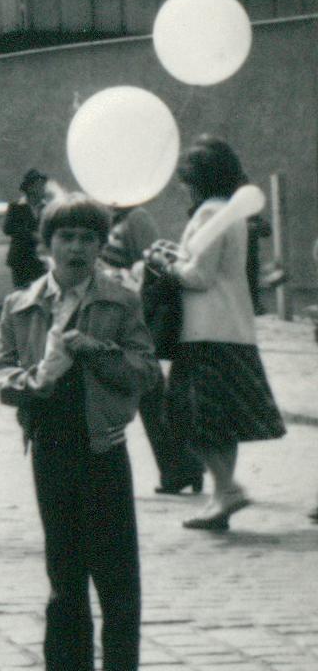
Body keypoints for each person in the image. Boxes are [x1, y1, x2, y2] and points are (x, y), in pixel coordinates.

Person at [0, 194, 157, 671]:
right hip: (51, 447)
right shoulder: (22, 303)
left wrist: (93, 350)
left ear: (100, 246)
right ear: (47, 245)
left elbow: (146, 371)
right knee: (63, 578)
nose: (78, 248)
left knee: (116, 580)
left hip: (102, 447)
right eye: (67, 238)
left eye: (89, 238)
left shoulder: (120, 300)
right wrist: (28, 381)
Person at [148, 136, 286, 531]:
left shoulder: (209, 214)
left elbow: (198, 276)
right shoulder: (231, 214)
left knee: (187, 417)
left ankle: (227, 488)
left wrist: (161, 263)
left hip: (203, 332)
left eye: (185, 178)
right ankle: (220, 497)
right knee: (222, 421)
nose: (181, 186)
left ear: (198, 180)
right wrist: (177, 255)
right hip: (233, 329)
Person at [103, 204, 203, 496]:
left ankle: (181, 466)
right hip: (118, 311)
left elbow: (151, 266)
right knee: (149, 393)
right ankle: (183, 466)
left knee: (148, 393)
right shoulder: (115, 216)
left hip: (135, 313)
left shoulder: (137, 217)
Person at [5, 168, 49, 291]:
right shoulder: (16, 206)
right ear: (30, 188)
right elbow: (8, 228)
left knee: (40, 294)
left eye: (43, 185)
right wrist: (31, 235)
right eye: (39, 185)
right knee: (22, 295)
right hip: (20, 260)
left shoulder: (47, 207)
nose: (43, 189)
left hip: (40, 261)